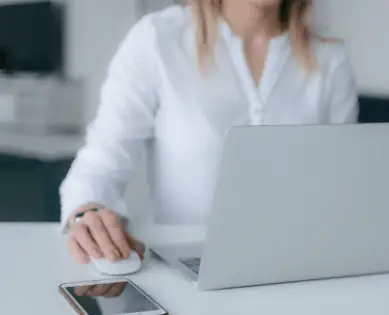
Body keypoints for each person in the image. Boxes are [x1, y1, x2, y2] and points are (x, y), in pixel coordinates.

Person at [61, 0, 359, 264]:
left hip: (298, 267)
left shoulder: (331, 60)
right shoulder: (158, 39)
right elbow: (99, 166)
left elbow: (342, 189)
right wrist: (86, 211)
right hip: (184, 268)